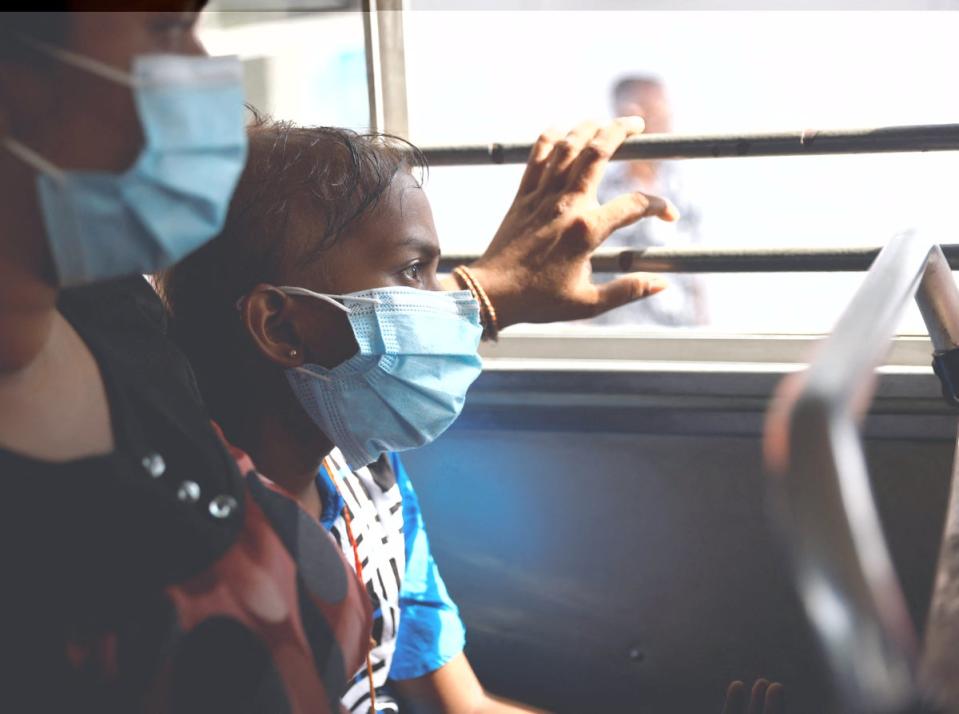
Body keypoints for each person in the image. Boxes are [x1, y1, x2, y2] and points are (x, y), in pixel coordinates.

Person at [0, 8, 680, 711]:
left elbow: (462, 705)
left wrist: (487, 292)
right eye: (168, 28)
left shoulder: (360, 481)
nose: (204, 66)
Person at [157, 115, 678, 713]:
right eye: (412, 271)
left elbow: (466, 706)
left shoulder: (368, 483)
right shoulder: (200, 540)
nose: (453, 306)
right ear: (280, 326)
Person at [593, 74, 708, 327]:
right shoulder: (597, 192)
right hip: (616, 338)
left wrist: (704, 331)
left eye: (665, 116)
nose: (665, 126)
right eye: (657, 116)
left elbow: (694, 274)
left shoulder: (682, 190)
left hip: (679, 336)